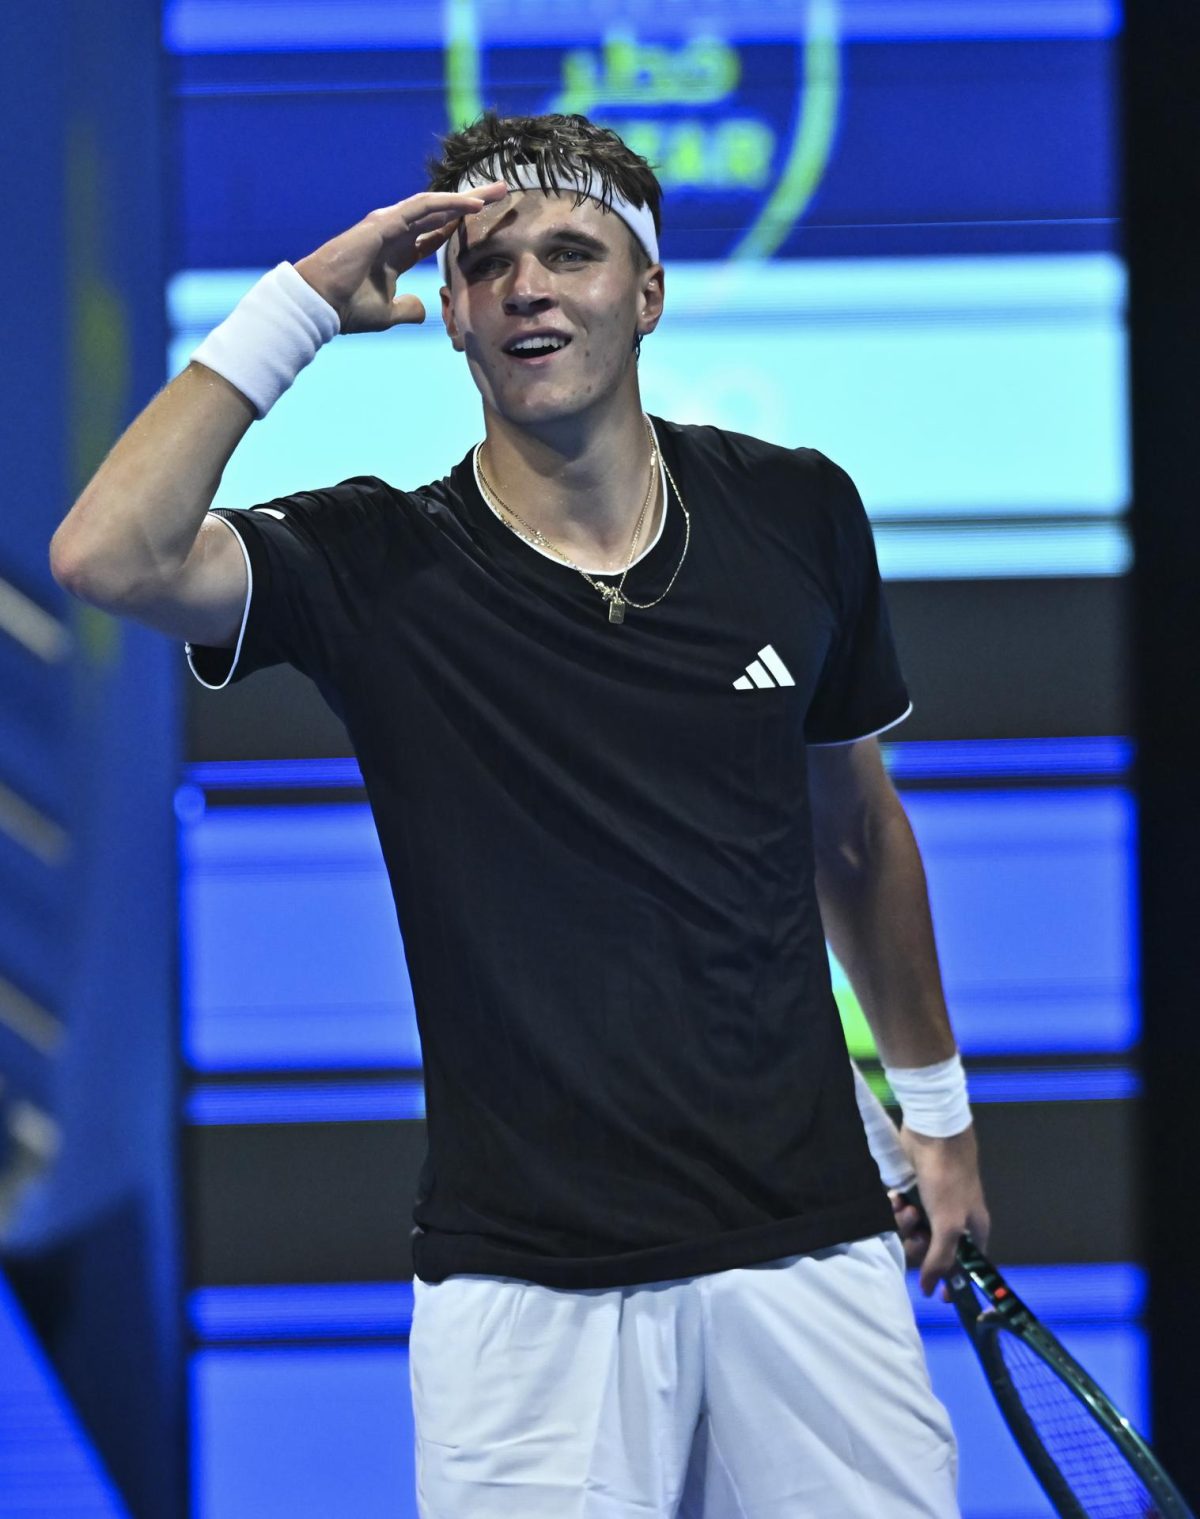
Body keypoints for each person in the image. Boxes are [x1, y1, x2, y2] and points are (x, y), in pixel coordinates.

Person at [52, 110, 988, 1518]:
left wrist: (941, 1117)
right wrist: (302, 299)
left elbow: (851, 830)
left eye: (573, 253)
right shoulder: (373, 560)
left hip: (809, 1254)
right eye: (488, 264)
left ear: (649, 292)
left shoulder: (797, 514)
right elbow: (105, 552)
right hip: (520, 1298)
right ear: (449, 316)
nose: (530, 288)